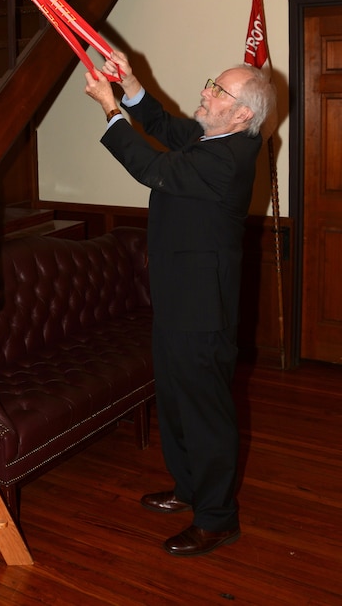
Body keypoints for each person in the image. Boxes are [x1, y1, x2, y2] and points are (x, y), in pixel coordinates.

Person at [84, 51, 276, 557]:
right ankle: (188, 488)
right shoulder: (214, 137)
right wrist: (129, 83)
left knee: (205, 410)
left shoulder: (230, 155)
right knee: (174, 398)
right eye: (213, 83)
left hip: (201, 308)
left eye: (221, 92)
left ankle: (217, 518)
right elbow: (166, 128)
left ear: (242, 115)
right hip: (175, 297)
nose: (207, 91)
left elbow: (151, 166)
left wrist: (109, 109)